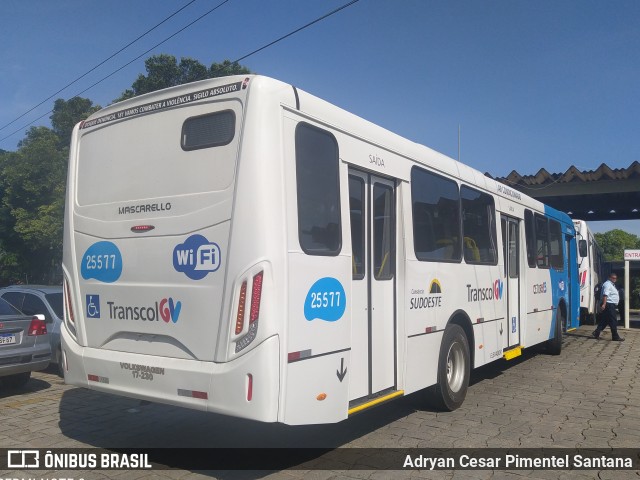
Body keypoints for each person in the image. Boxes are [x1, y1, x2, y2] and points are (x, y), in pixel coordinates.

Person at [593, 273, 624, 341]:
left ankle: (596, 332)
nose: (614, 279)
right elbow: (605, 295)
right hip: (609, 304)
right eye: (613, 278)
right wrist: (604, 304)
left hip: (610, 304)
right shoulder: (607, 284)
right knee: (613, 320)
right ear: (609, 277)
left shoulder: (611, 285)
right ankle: (615, 336)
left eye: (615, 278)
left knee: (605, 320)